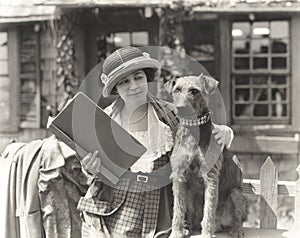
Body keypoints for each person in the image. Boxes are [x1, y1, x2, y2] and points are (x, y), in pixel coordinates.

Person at [77, 46, 234, 238]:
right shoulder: (104, 121)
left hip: (160, 212)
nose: (133, 86)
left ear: (146, 79)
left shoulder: (170, 113)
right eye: (124, 82)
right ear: (116, 88)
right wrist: (90, 169)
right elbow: (92, 170)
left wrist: (226, 132)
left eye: (138, 77)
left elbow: (203, 128)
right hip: (115, 209)